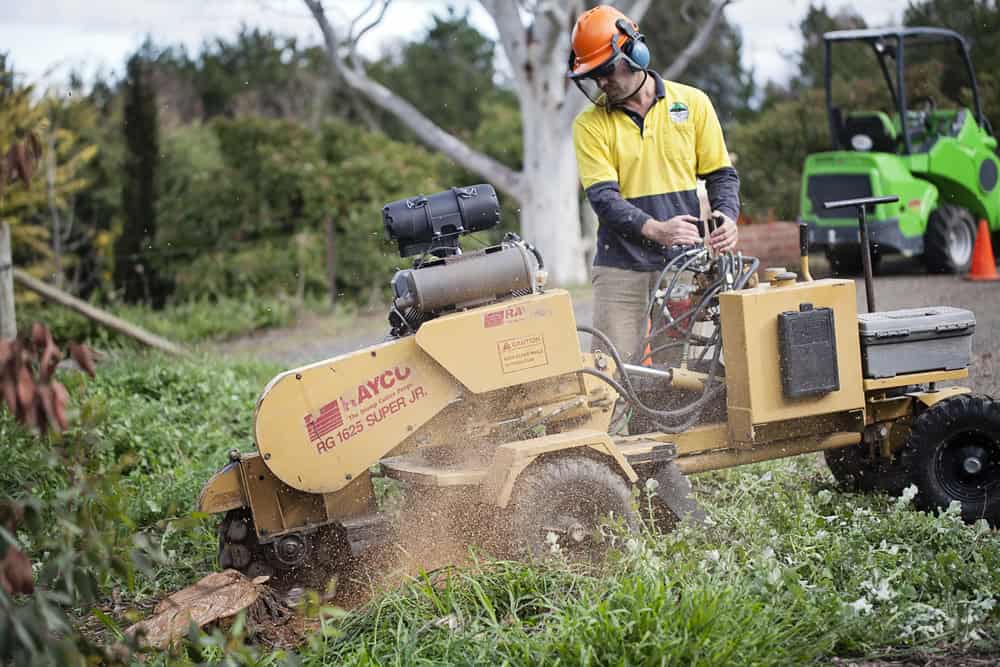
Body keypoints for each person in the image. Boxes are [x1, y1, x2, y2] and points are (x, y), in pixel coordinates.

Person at [569, 5, 741, 365]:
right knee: (611, 372)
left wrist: (726, 216)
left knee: (689, 374)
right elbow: (603, 198)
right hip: (620, 267)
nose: (601, 81)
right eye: (592, 75)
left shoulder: (692, 103)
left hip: (685, 265)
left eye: (604, 70)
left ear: (634, 52)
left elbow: (720, 175)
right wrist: (657, 230)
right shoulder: (590, 124)